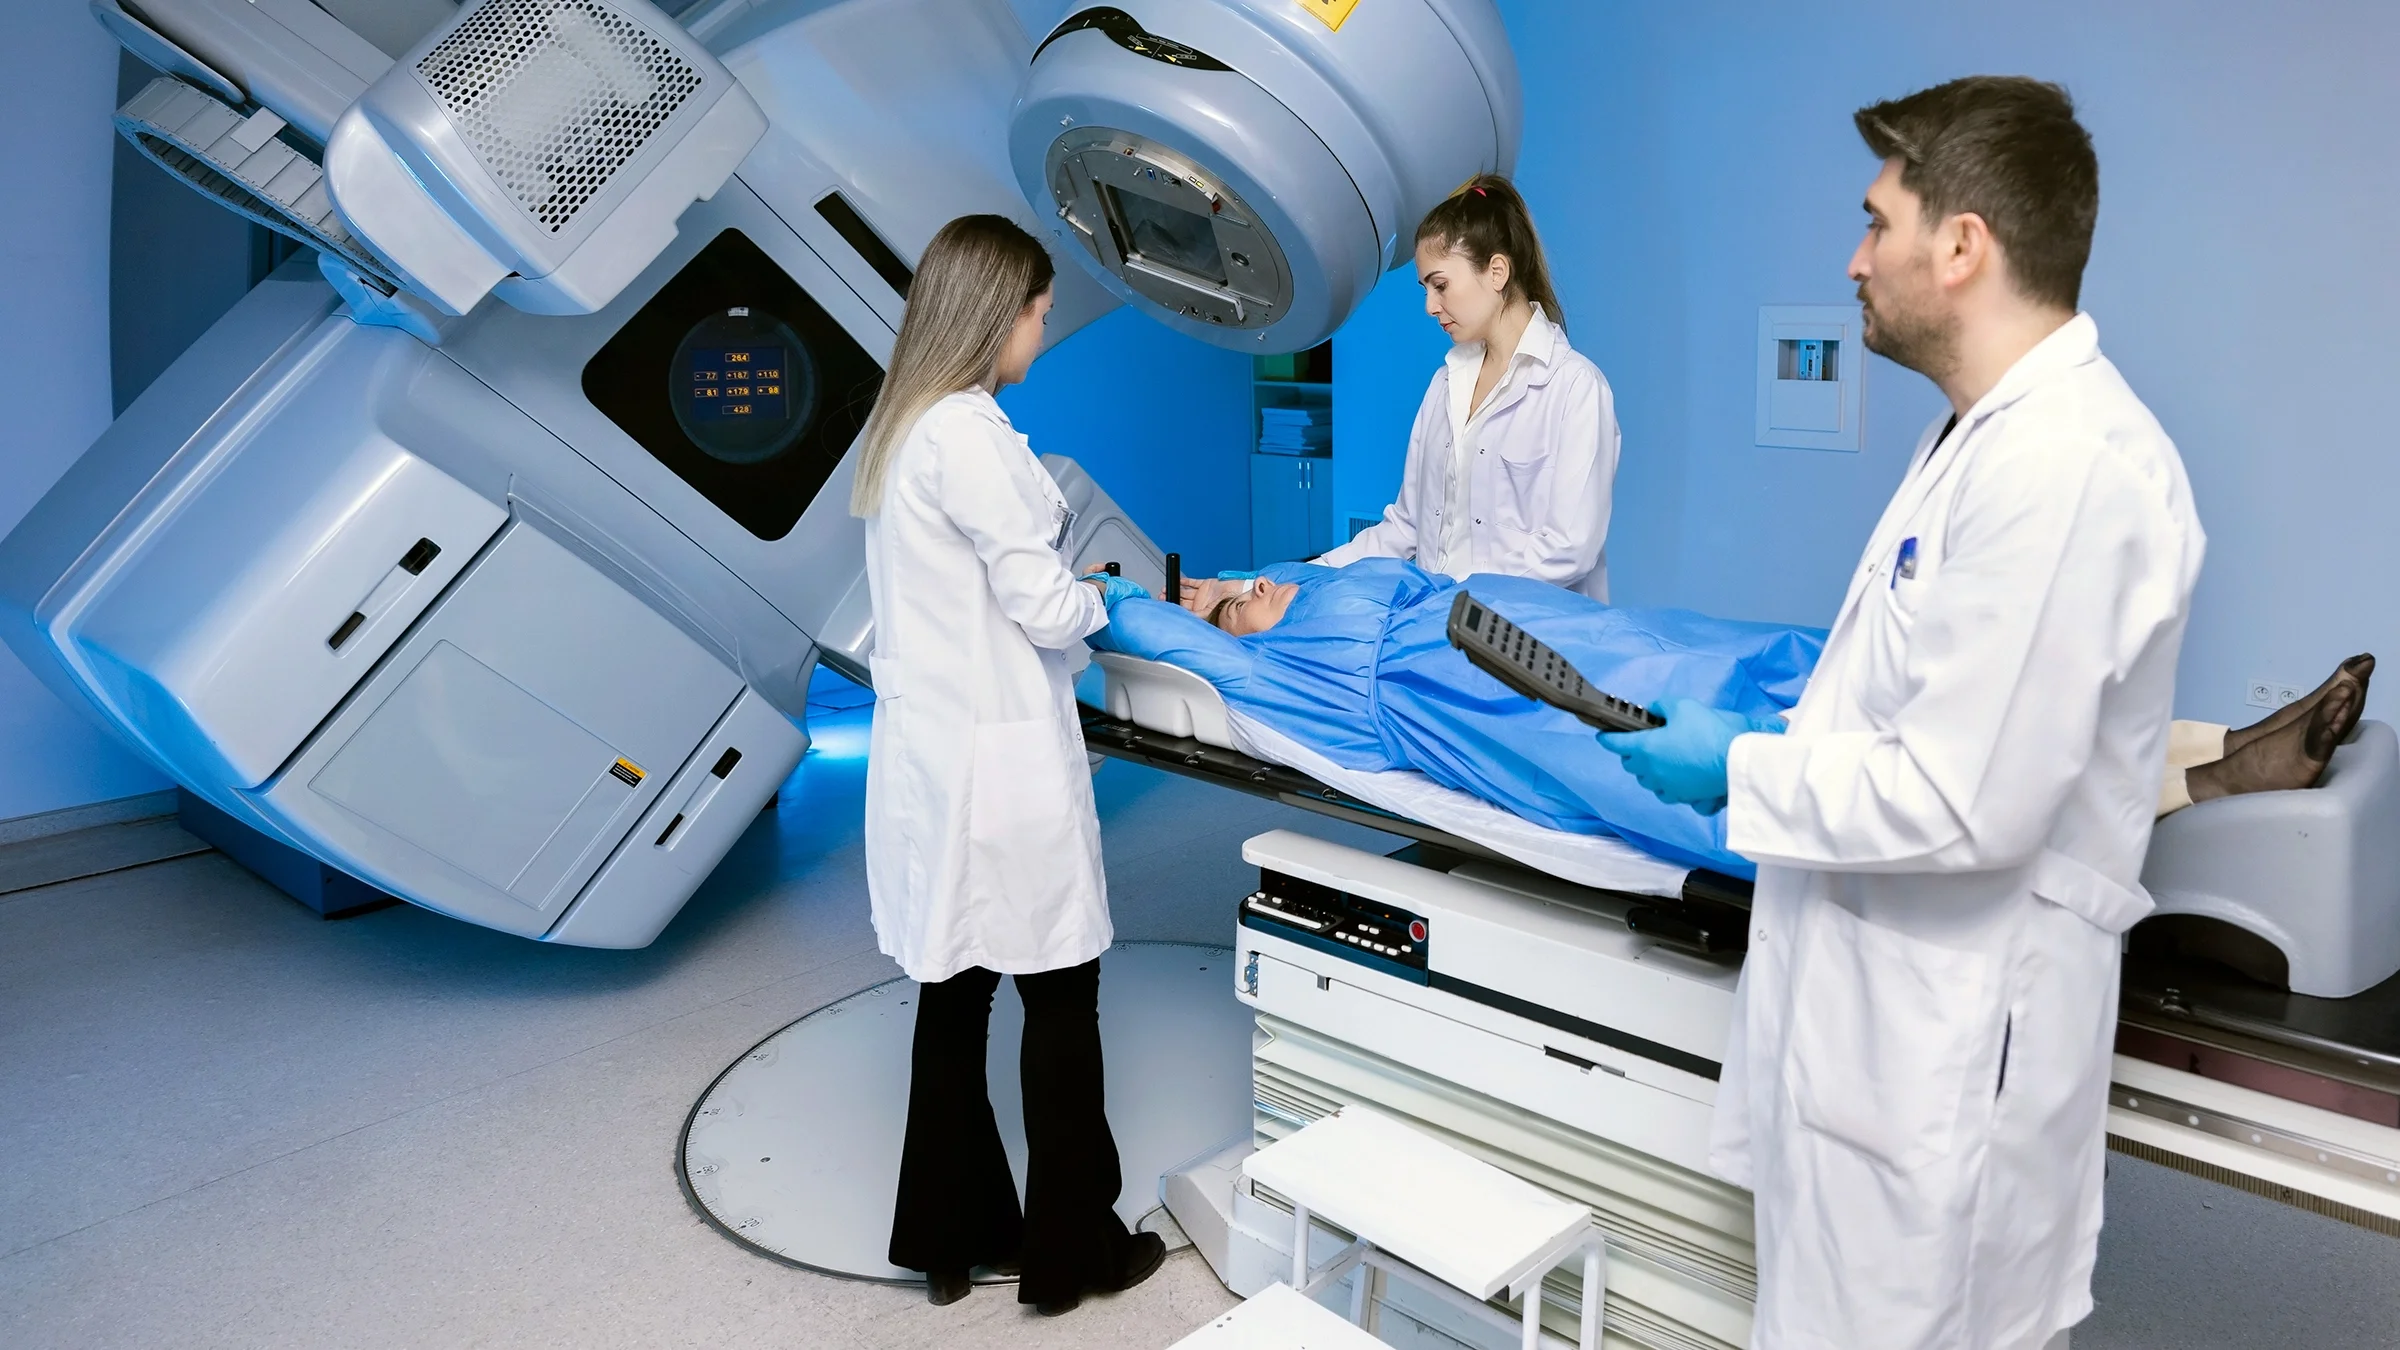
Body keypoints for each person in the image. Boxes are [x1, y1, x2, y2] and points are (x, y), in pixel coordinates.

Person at [1598, 78, 2203, 1350]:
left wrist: (1742, 774)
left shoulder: (2063, 466)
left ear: (1963, 244)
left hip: (1949, 1056)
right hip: (1880, 1026)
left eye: (1878, 224)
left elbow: (1957, 799)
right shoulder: (1981, 439)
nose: (1854, 258)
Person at [852, 213, 1163, 1316]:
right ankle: (1074, 1253)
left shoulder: (902, 432)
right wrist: (1108, 601)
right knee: (1062, 1000)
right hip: (1001, 767)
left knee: (956, 994)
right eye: (1038, 310)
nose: (1042, 329)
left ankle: (950, 1237)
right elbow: (1039, 601)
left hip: (936, 763)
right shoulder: (970, 434)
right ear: (998, 313)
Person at [1309, 173, 1621, 598]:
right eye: (1426, 289)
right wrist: (1302, 577)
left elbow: (1570, 549)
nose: (1429, 306)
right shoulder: (1445, 387)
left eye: (1440, 285)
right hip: (1438, 634)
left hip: (1529, 642)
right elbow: (1404, 530)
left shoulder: (1575, 388)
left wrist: (1452, 604)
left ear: (1497, 271)